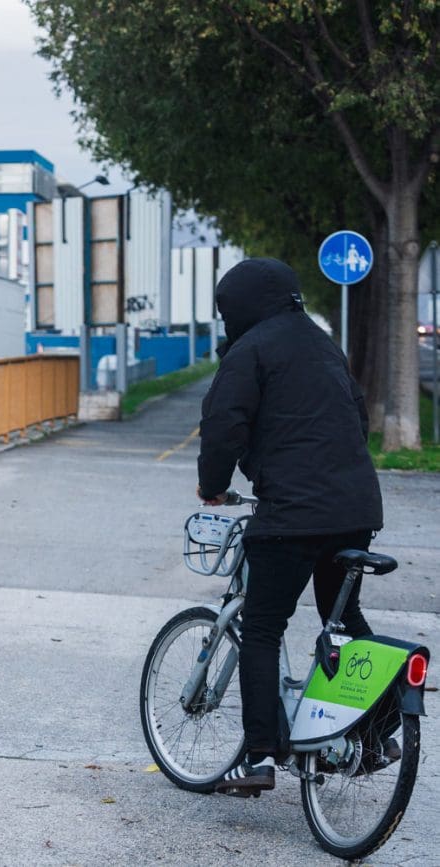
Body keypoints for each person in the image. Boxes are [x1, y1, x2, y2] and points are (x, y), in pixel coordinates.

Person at [195, 257, 383, 796]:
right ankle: (375, 729)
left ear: (239, 306)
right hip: (355, 509)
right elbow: (359, 419)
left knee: (261, 626)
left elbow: (224, 425)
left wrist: (213, 484)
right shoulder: (324, 346)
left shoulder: (249, 350)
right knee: (342, 617)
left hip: (292, 514)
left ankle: (257, 758)